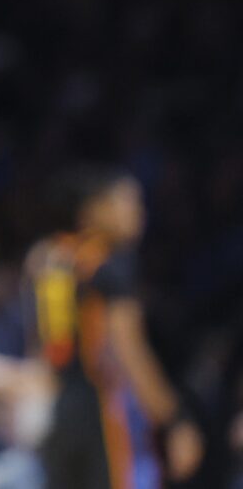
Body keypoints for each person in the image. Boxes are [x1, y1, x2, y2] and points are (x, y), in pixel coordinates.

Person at [24, 166, 202, 489]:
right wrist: (175, 419)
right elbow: (128, 350)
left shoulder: (51, 259)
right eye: (126, 202)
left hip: (61, 411)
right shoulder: (110, 265)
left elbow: (43, 346)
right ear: (93, 210)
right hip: (105, 411)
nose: (138, 212)